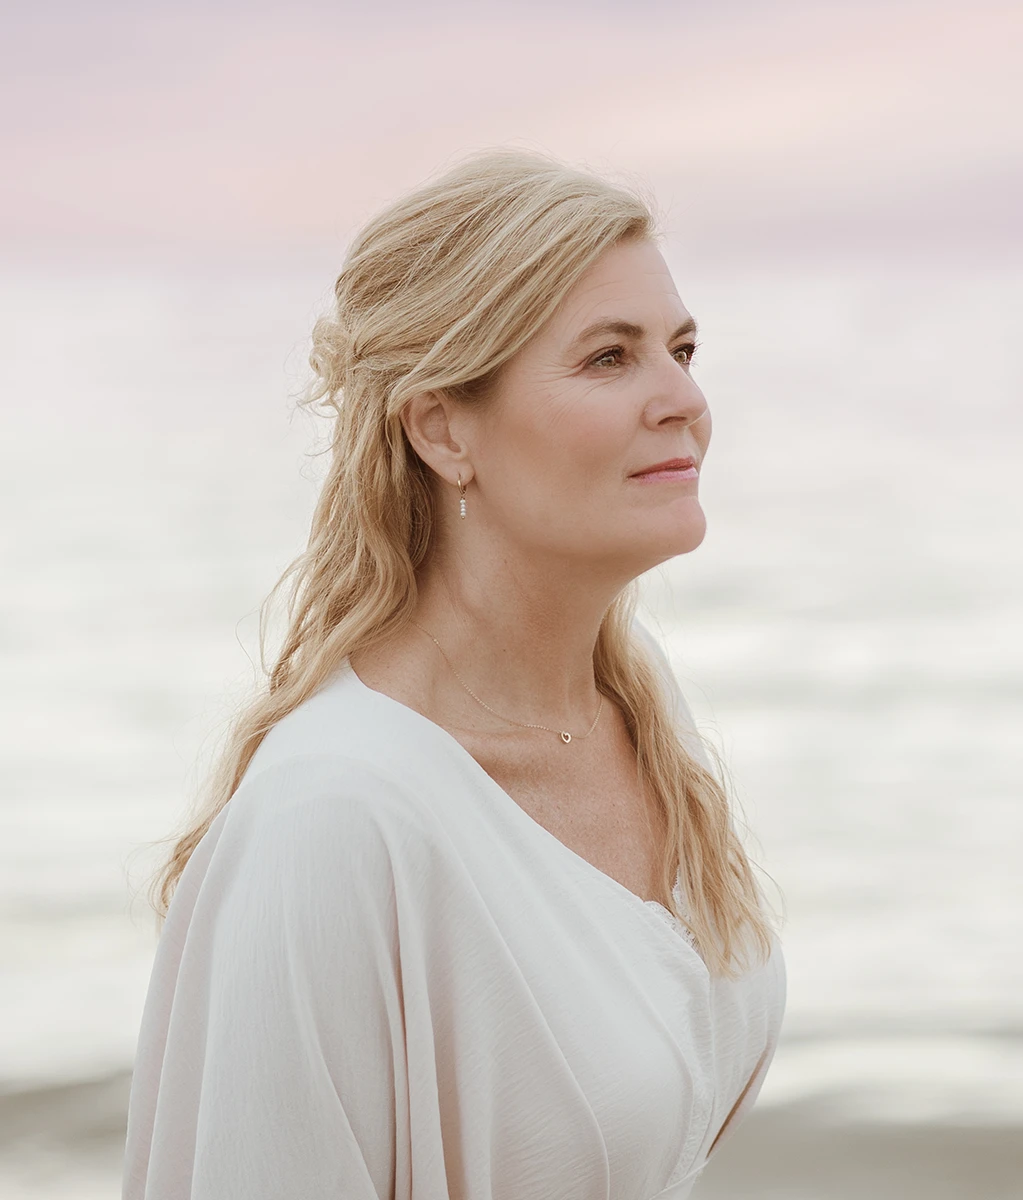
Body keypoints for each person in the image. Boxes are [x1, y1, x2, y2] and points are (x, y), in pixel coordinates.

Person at [122, 147, 786, 1200]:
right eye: (609, 358)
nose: (684, 400)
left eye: (682, 348)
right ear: (441, 428)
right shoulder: (334, 820)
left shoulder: (634, 701)